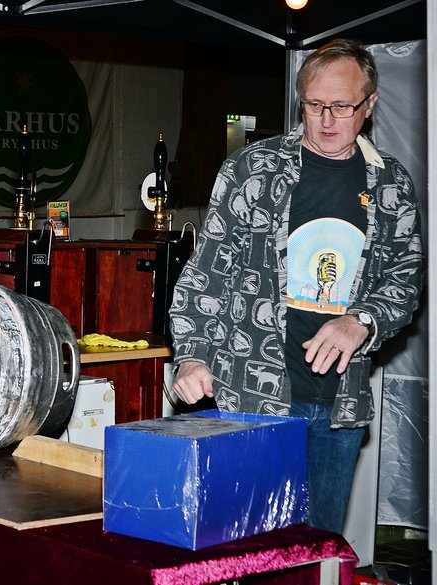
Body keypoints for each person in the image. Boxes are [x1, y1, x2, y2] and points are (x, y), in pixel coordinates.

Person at [168, 38, 423, 534]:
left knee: (318, 547)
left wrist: (362, 321)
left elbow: (405, 277)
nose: (326, 120)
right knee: (245, 543)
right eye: (314, 104)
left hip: (339, 404)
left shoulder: (391, 183)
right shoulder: (253, 170)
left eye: (342, 106)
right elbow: (206, 276)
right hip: (250, 397)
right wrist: (193, 355)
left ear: (369, 105)